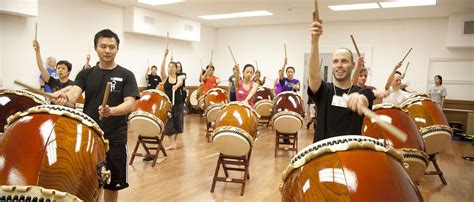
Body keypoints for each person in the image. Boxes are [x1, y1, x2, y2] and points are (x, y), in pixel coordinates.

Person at [52, 29, 139, 202]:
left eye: (112, 47)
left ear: (117, 49)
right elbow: (73, 95)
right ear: (96, 48)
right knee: (87, 178)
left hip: (115, 137)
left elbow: (130, 103)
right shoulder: (86, 73)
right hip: (89, 135)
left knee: (112, 183)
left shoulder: (126, 75)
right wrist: (64, 97)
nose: (107, 50)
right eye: (103, 46)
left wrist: (111, 111)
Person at [307, 17, 374, 143]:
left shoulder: (363, 92)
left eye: (344, 61)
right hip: (323, 155)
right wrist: (314, 41)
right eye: (335, 61)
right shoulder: (324, 90)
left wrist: (360, 100)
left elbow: (365, 100)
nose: (339, 65)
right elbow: (314, 76)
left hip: (351, 156)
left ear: (353, 65)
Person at [160, 49, 185, 150]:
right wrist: (165, 56)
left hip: (178, 103)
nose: (170, 69)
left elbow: (180, 81)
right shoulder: (165, 78)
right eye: (169, 67)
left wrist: (176, 86)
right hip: (168, 104)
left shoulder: (179, 77)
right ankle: (171, 143)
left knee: (178, 122)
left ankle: (174, 142)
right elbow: (162, 68)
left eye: (172, 67)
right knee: (169, 123)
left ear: (176, 69)